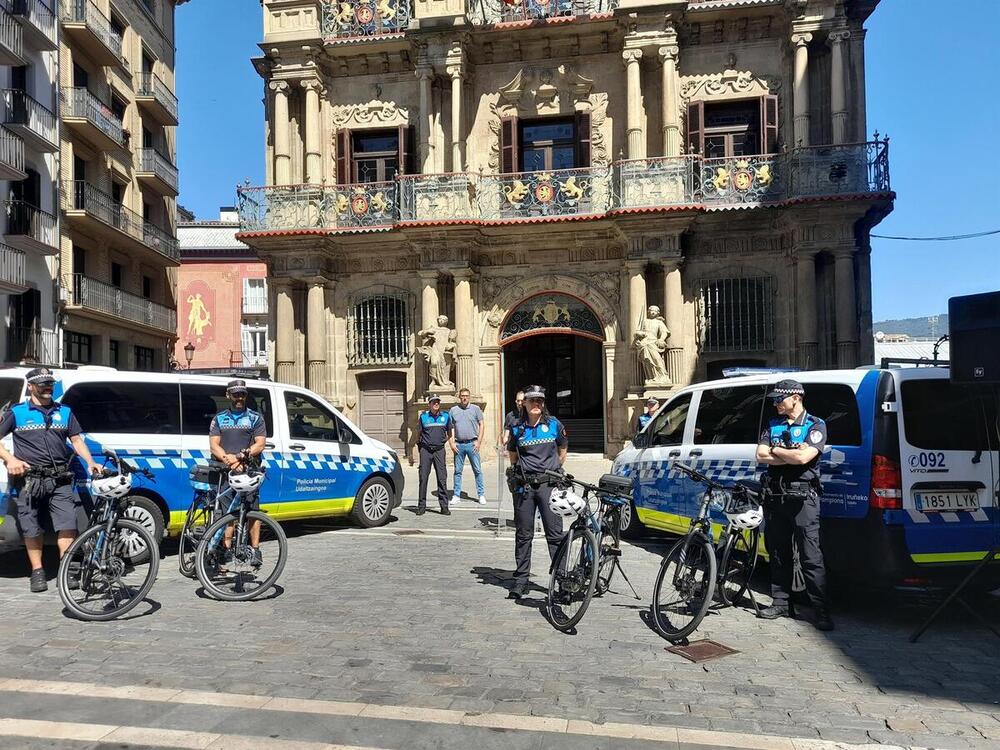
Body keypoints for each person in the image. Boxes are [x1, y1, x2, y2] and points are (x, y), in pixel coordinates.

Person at [0, 367, 101, 592]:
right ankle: (37, 572)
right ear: (31, 386)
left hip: (60, 480)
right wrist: (10, 459)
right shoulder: (18, 412)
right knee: (31, 527)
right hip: (28, 481)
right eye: (43, 383)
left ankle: (66, 571)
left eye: (50, 384)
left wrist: (90, 462)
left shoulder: (65, 412)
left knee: (68, 525)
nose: (48, 387)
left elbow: (76, 441)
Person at [755, 379, 833, 631]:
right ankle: (780, 601)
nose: (776, 403)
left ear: (796, 398)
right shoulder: (773, 424)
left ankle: (820, 609)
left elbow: (804, 458)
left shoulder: (815, 424)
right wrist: (786, 451)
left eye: (780, 399)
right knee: (778, 552)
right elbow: (760, 455)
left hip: (804, 499)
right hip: (776, 497)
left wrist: (777, 451)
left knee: (811, 556)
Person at [506, 385, 568, 599]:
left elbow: (562, 449)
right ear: (524, 403)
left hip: (548, 485)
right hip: (525, 488)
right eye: (532, 400)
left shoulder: (553, 425)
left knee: (555, 536)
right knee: (524, 535)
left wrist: (552, 471)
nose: (536, 404)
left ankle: (562, 582)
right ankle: (521, 580)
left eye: (540, 401)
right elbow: (512, 453)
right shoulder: (517, 428)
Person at [209, 380, 267, 564]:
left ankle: (255, 549)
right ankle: (225, 550)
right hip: (227, 470)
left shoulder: (255, 417)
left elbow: (260, 443)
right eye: (235, 394)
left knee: (253, 510)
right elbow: (214, 445)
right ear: (228, 395)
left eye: (242, 394)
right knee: (228, 513)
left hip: (249, 469)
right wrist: (228, 459)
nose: (239, 398)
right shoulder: (219, 418)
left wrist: (242, 456)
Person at [449, 388, 486, 505]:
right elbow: (451, 428)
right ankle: (456, 495)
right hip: (459, 444)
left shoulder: (476, 409)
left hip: (472, 444)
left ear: (469, 397)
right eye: (462, 396)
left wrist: (479, 441)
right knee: (458, 471)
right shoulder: (453, 410)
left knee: (477, 470)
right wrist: (452, 443)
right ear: (459, 397)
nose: (464, 398)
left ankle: (481, 495)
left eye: (466, 396)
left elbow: (482, 424)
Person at [416, 394, 451, 516]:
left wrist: (441, 443)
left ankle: (444, 506)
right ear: (429, 404)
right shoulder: (423, 417)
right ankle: (421, 506)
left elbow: (449, 433)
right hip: (425, 451)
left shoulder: (446, 416)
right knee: (423, 478)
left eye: (437, 402)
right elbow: (418, 434)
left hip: (439, 451)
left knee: (442, 478)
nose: (436, 404)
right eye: (433, 402)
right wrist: (421, 448)